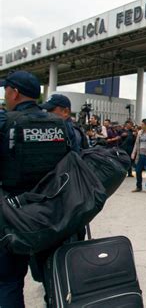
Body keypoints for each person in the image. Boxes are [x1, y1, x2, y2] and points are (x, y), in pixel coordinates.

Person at [0, 71, 69, 307]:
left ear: (14, 92)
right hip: (52, 212)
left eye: (6, 90)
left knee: (8, 281)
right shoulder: (60, 125)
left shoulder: (5, 122)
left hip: (12, 213)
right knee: (54, 278)